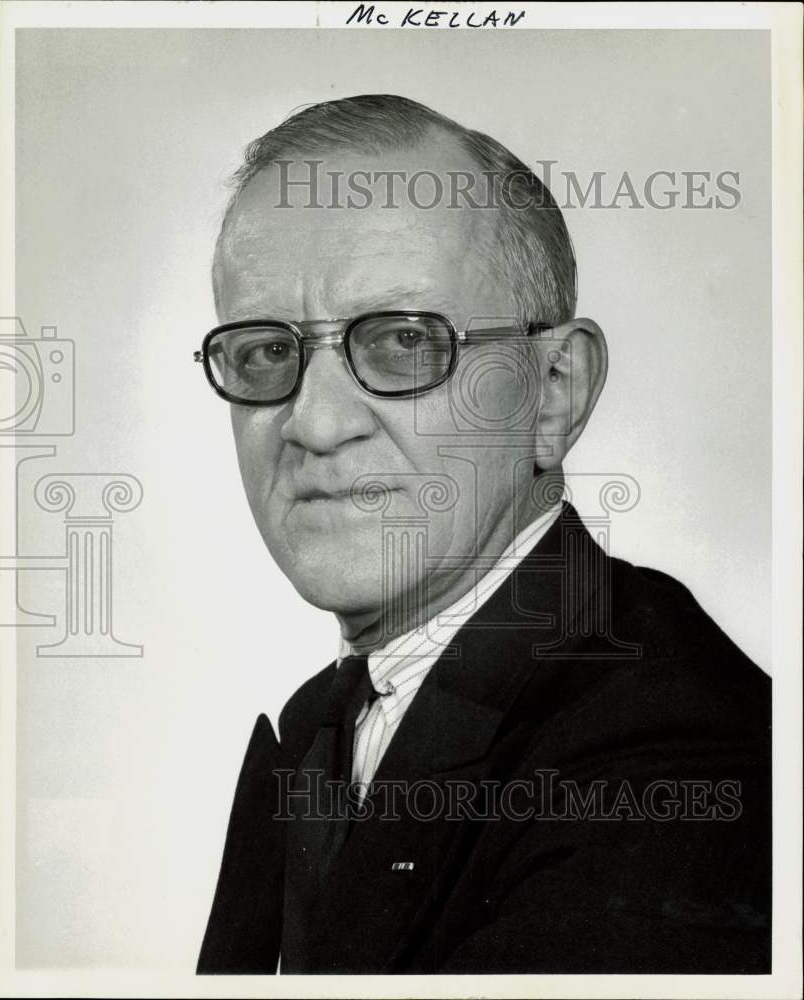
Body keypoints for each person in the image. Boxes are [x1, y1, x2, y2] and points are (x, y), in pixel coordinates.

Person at [194, 94, 770, 974]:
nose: (313, 423)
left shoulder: (671, 767)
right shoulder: (324, 720)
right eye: (266, 352)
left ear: (553, 392)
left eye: (400, 341)